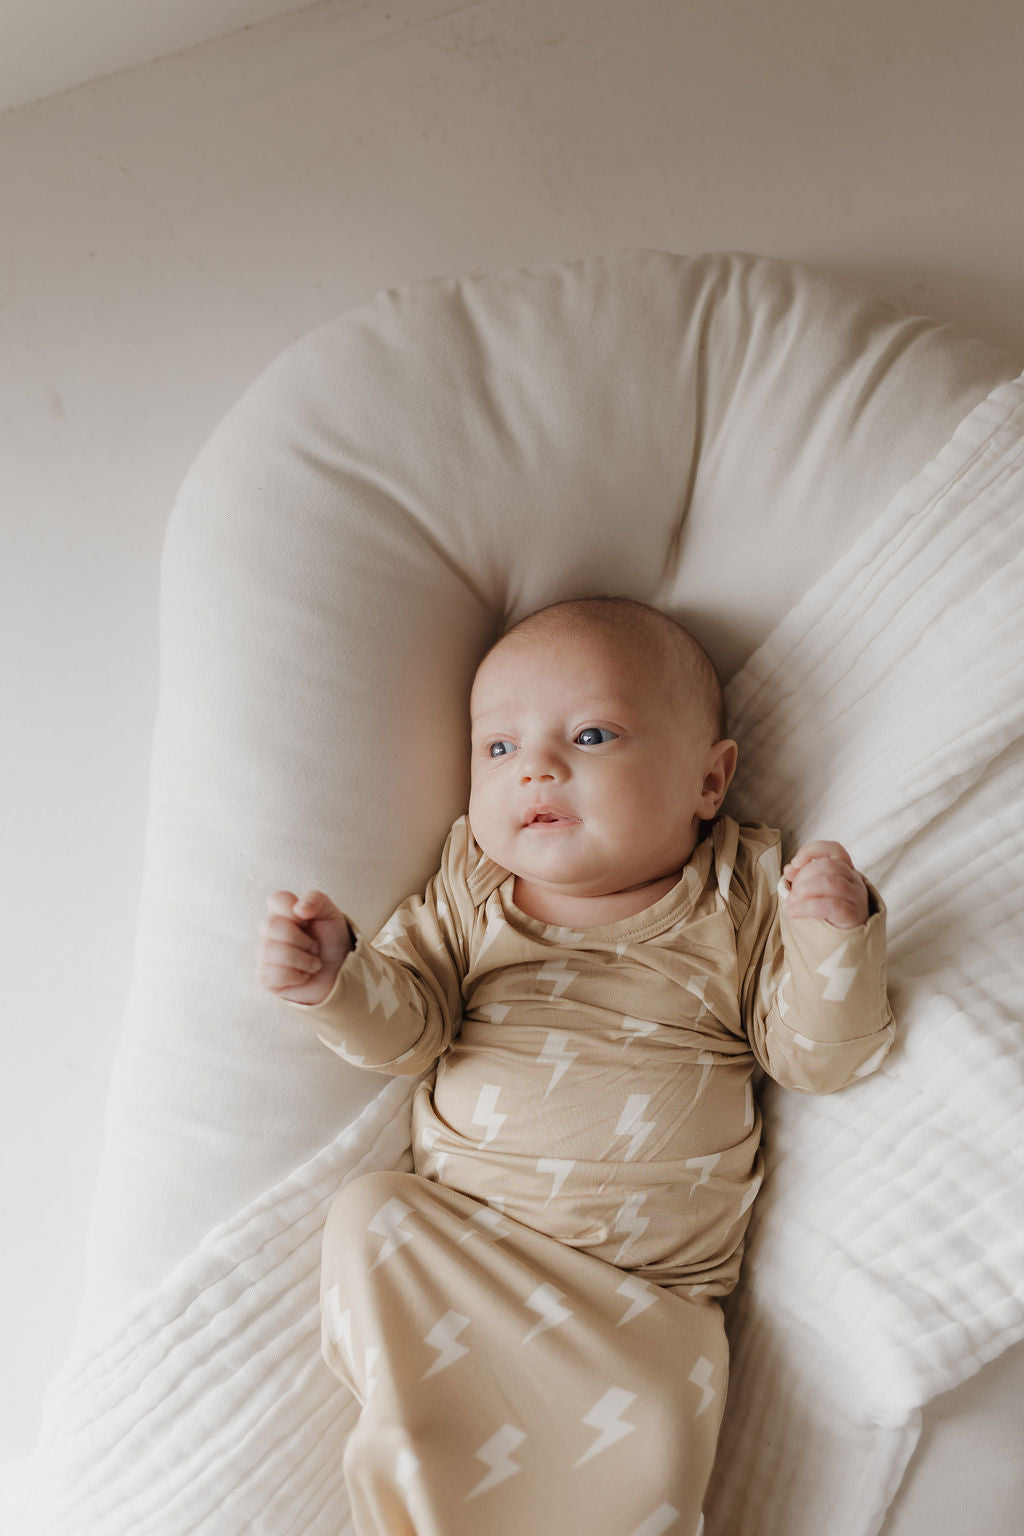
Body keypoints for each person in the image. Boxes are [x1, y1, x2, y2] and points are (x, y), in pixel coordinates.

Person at [257, 596, 895, 1536]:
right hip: (470, 1259)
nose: (538, 768)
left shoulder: (741, 895)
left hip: (647, 1303)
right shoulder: (471, 890)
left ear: (709, 782)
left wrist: (832, 941)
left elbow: (814, 1060)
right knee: (371, 1215)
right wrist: (335, 979)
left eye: (591, 735)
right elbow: (410, 1031)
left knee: (635, 1459)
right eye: (499, 749)